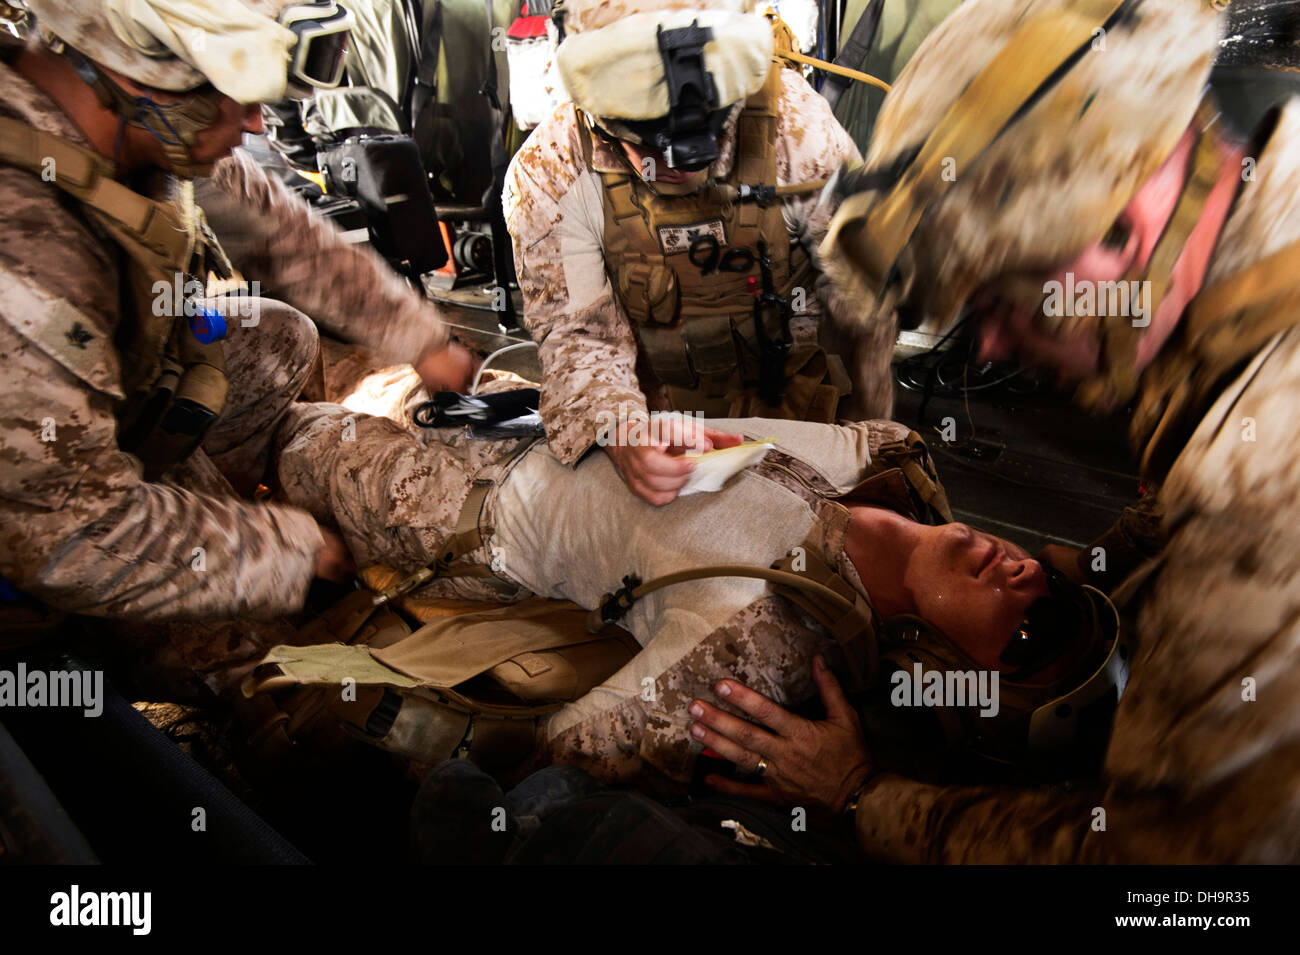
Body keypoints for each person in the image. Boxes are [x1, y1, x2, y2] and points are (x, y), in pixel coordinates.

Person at [690, 0, 1300, 862]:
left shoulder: (1257, 496)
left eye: (998, 304)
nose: (1001, 344)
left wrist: (862, 795)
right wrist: (1092, 572)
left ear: (1116, 235)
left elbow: (1173, 882)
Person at [270, 388, 1114, 786]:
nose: (1030, 574)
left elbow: (573, 748)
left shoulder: (758, 637)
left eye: (1027, 630)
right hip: (528, 414)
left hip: (465, 511)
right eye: (1056, 589)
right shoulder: (891, 452)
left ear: (938, 665)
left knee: (288, 421)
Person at [0, 0, 474, 695]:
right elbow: (68, 533)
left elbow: (277, 229)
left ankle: (237, 481)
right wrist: (286, 551)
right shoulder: (28, 245)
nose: (256, 123)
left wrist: (423, 342)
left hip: (106, 411)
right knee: (247, 662)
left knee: (281, 336)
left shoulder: (137, 123)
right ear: (143, 79)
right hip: (41, 521)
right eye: (237, 99)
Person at [502, 0, 897, 507]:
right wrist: (622, 433)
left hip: (798, 415)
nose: (673, 166)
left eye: (702, 139)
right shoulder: (552, 170)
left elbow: (866, 310)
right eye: (646, 144)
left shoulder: (797, 131)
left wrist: (873, 451)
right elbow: (581, 335)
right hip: (660, 432)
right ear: (599, 118)